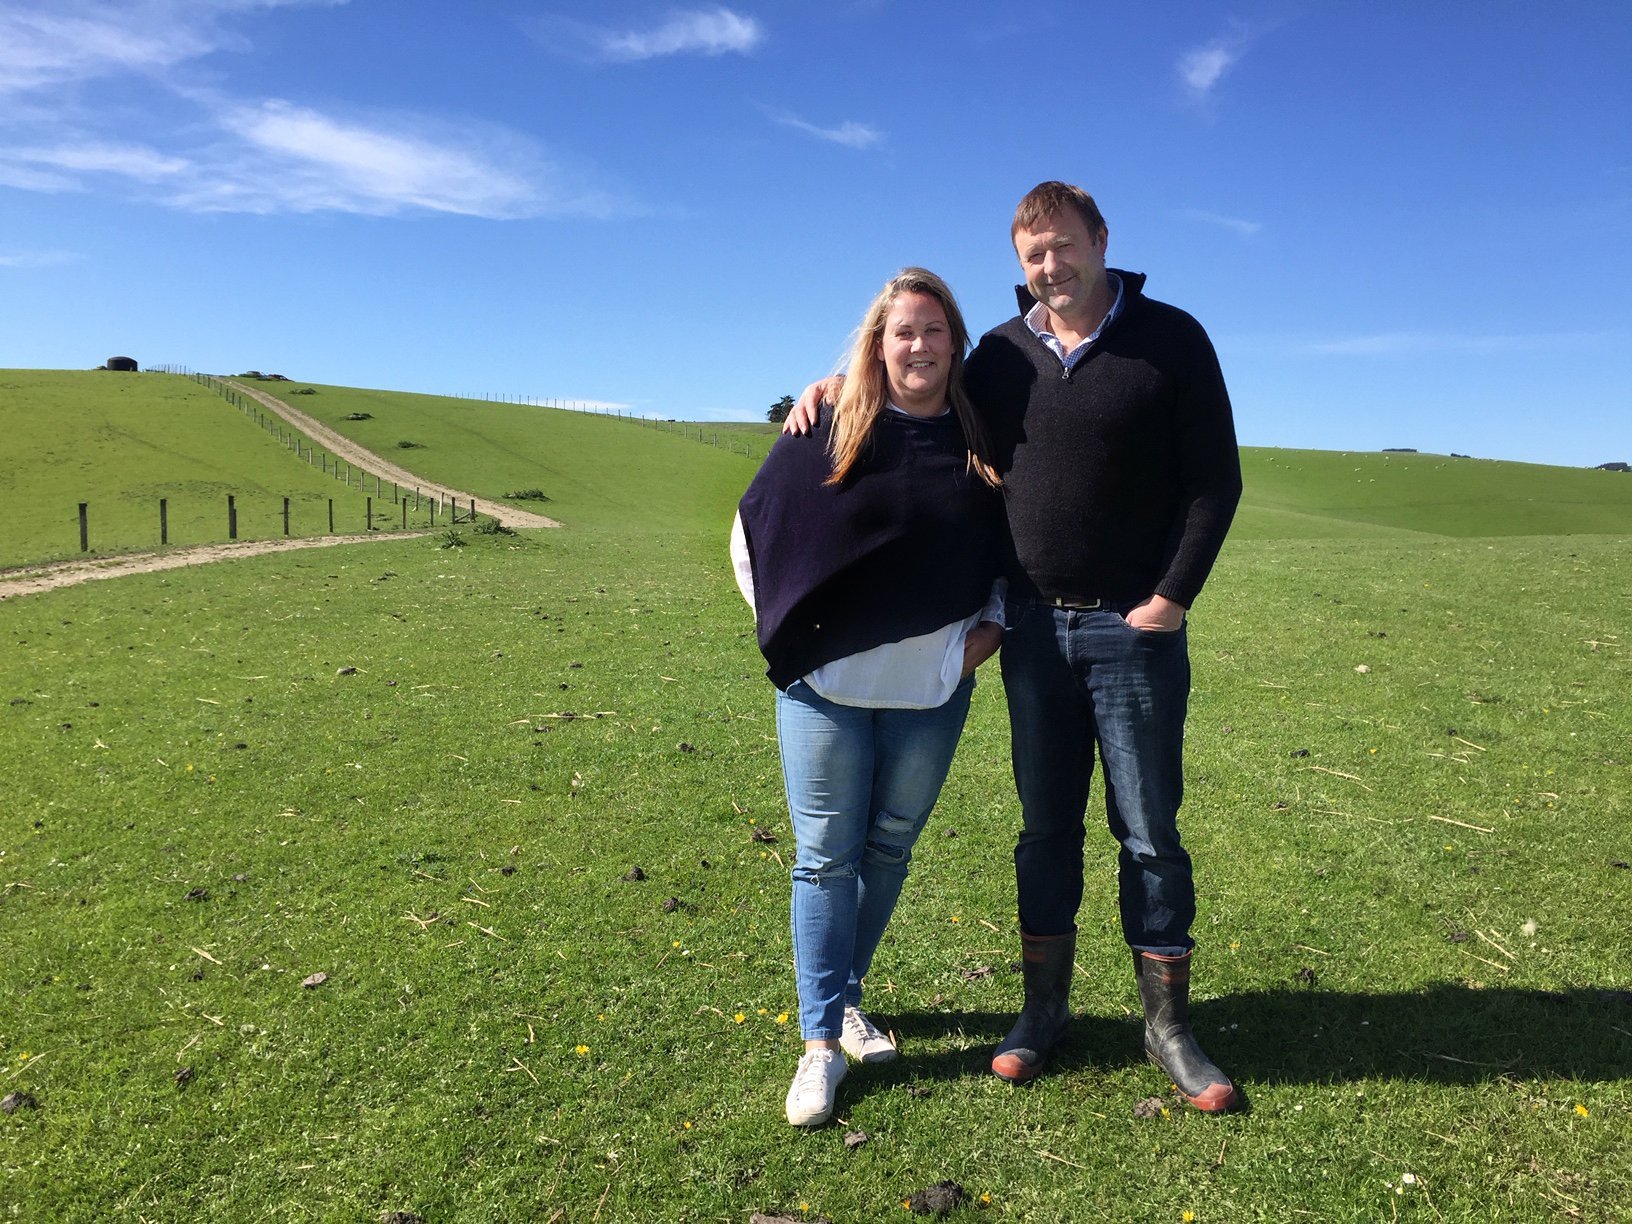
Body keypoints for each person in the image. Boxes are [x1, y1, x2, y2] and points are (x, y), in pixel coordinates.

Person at [786, 182, 1244, 1112]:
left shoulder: (1173, 339)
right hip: (1033, 629)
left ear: (1102, 241)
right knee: (1044, 828)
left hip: (1132, 631)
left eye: (1064, 247)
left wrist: (1169, 600)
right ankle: (1043, 1013)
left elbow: (1214, 480)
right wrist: (836, 386)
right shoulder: (1000, 354)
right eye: (1033, 255)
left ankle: (1169, 1028)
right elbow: (926, 394)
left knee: (1150, 831)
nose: (1050, 267)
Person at [733, 267, 1006, 1127]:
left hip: (931, 694)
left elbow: (1011, 556)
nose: (918, 346)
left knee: (888, 850)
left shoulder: (981, 444)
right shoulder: (828, 425)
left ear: (954, 341)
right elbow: (757, 531)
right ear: (876, 344)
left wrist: (977, 645)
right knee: (825, 857)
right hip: (825, 694)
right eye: (902, 332)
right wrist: (792, 635)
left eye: (932, 330)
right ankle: (818, 1045)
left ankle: (846, 996)